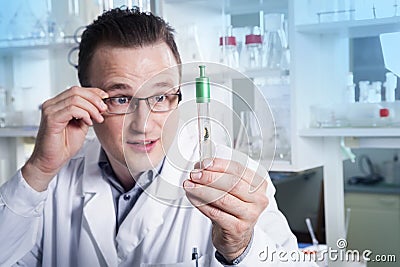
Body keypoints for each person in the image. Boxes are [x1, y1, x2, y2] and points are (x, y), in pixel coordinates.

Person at [0, 7, 307, 267]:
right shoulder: (52, 180)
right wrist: (38, 170)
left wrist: (241, 249)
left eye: (160, 96)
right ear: (85, 101)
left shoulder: (237, 177)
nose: (143, 124)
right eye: (120, 99)